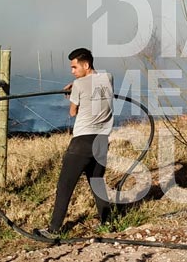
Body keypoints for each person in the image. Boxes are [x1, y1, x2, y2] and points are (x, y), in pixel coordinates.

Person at [35, 48, 114, 238]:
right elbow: (94, 86)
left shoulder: (78, 85)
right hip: (102, 139)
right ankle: (108, 223)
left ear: (86, 65)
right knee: (97, 182)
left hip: (82, 141)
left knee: (65, 184)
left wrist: (71, 94)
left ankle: (54, 230)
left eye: (74, 67)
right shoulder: (109, 77)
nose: (72, 71)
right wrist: (78, 85)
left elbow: (73, 112)